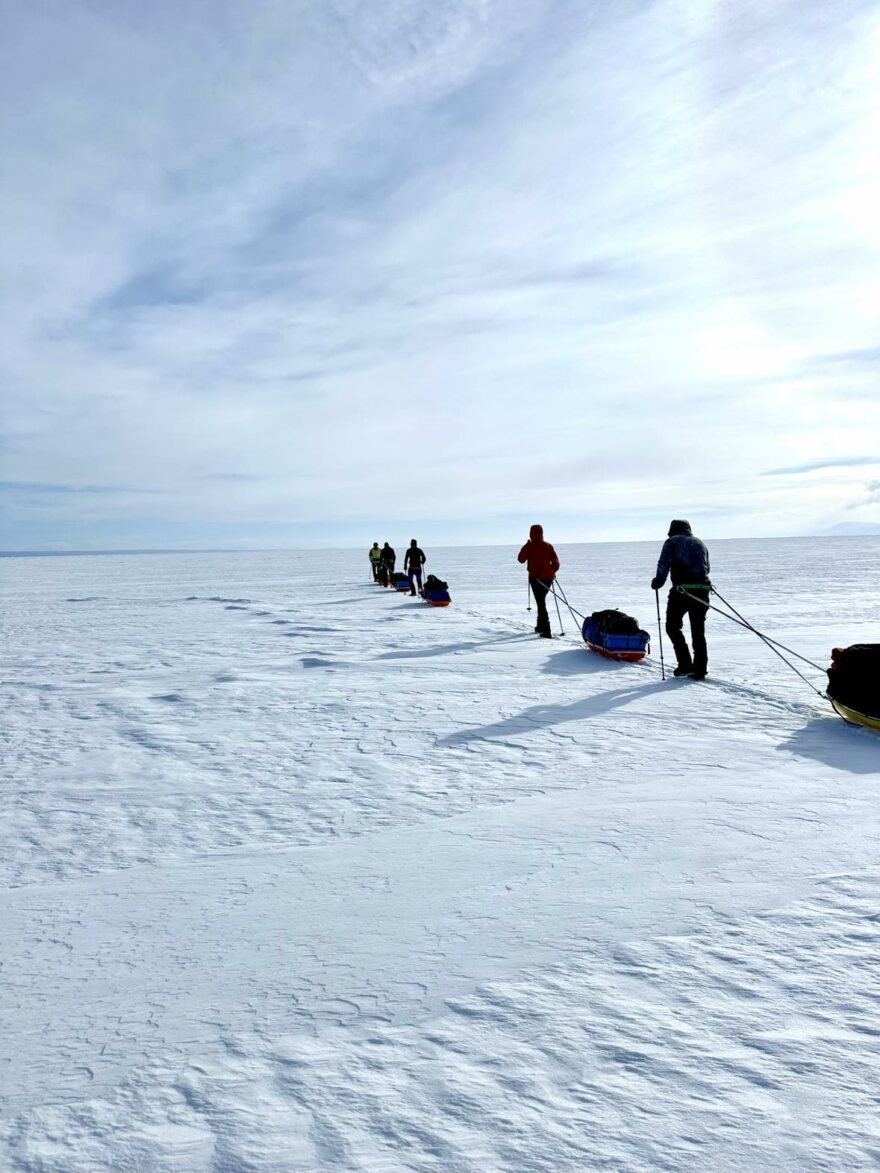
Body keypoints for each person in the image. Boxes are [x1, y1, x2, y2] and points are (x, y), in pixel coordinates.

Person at [651, 519, 711, 680]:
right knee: (698, 631)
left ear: (672, 530)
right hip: (703, 590)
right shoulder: (700, 543)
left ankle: (685, 664)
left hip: (682, 591)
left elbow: (663, 564)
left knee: (672, 627)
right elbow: (707, 568)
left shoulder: (672, 542)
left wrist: (658, 582)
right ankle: (700, 670)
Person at [517, 524, 560, 638]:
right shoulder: (548, 546)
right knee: (541, 602)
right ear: (542, 533)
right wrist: (551, 571)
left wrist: (526, 546)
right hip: (548, 579)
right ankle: (540, 627)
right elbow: (556, 563)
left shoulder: (529, 546)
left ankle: (546, 631)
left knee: (541, 603)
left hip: (535, 579)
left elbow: (521, 559)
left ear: (531, 533)